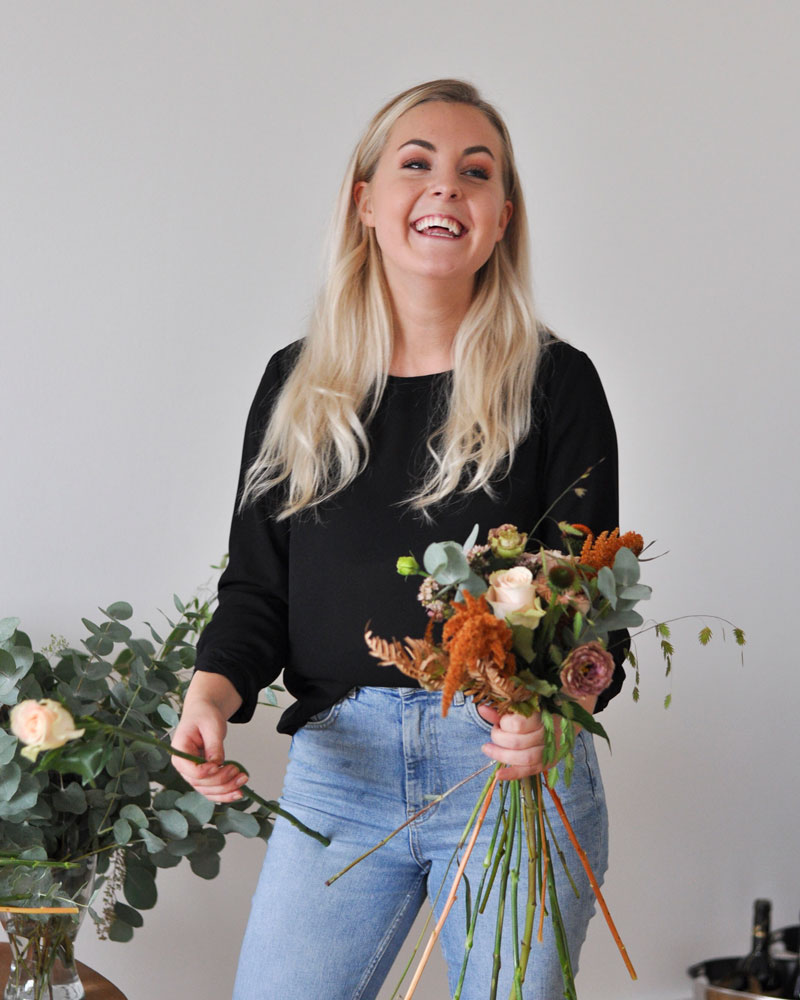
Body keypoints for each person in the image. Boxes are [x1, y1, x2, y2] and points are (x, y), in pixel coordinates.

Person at [172, 78, 625, 1000]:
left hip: (507, 774)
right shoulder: (296, 386)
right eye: (416, 164)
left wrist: (554, 712)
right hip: (340, 767)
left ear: (501, 219)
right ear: (366, 202)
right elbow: (257, 589)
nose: (445, 185)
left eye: (476, 171)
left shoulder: (556, 384)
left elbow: (594, 610)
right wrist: (211, 694)